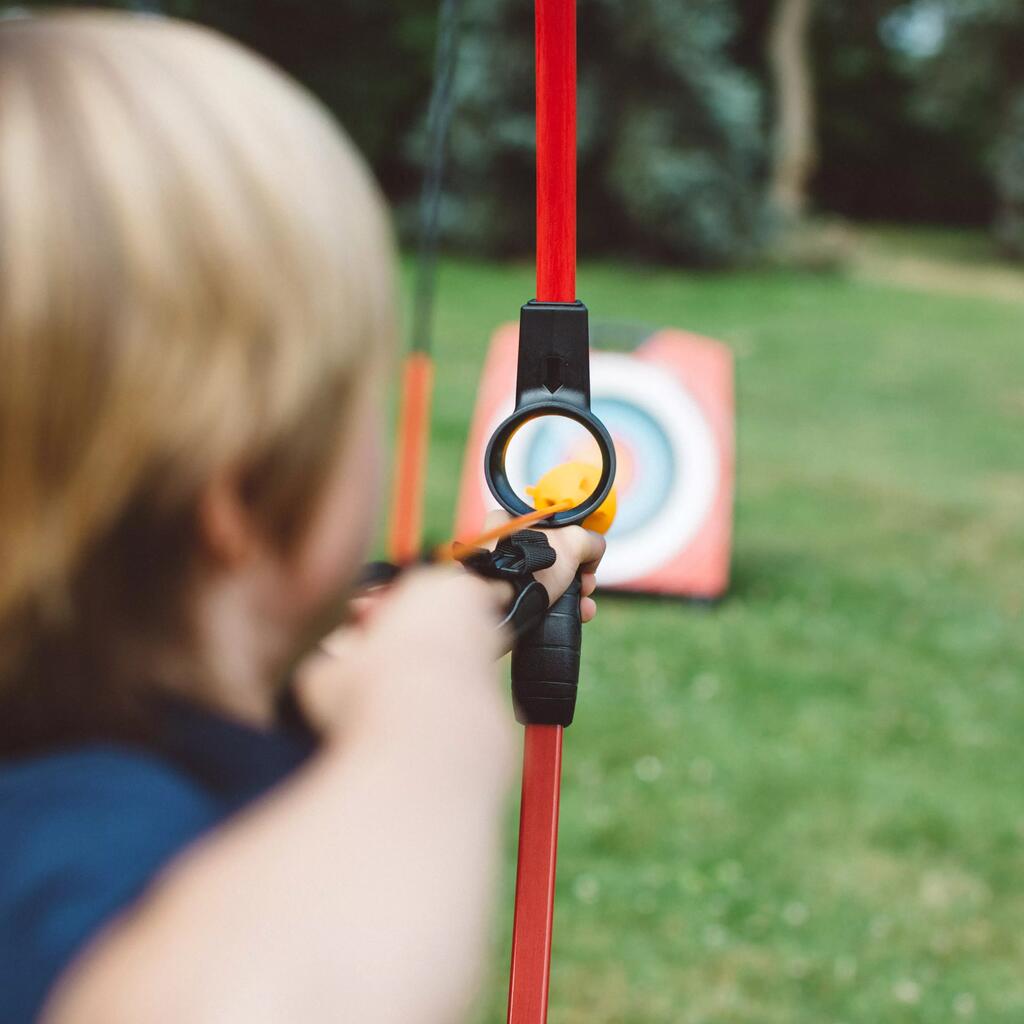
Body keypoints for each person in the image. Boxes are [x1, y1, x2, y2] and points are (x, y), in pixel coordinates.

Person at [0, 12, 606, 1023]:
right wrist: (424, 709)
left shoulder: (106, 733)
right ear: (240, 495)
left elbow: (329, 665)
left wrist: (495, 586)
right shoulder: (81, 834)